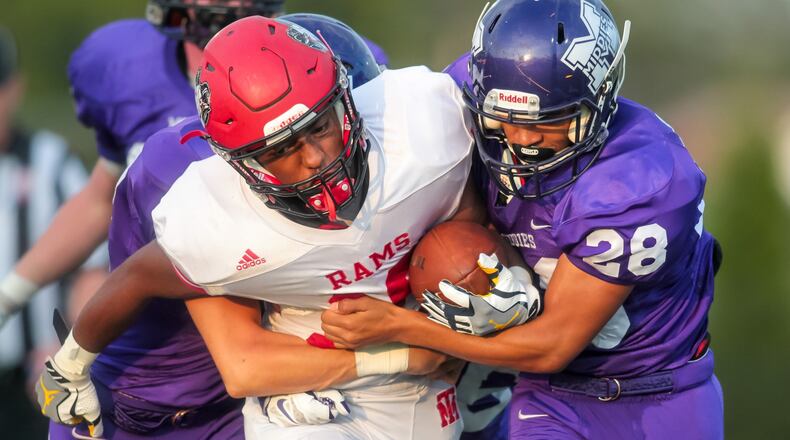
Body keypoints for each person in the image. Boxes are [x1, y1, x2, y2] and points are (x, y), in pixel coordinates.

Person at [37, 15, 488, 439]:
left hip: (309, 401)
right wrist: (70, 363)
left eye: (321, 126)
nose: (314, 158)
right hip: (140, 404)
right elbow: (141, 282)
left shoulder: (427, 122)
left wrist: (498, 292)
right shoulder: (207, 207)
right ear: (237, 164)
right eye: (282, 149)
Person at [319, 0, 725, 438]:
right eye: (506, 118)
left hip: (657, 392)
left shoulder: (641, 181)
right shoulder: (469, 91)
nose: (522, 139)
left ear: (601, 98)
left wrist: (403, 326)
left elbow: (552, 346)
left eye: (549, 121)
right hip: (545, 393)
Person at [0, 27, 107, 439]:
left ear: (14, 88)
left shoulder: (51, 162)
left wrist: (72, 356)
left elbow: (92, 272)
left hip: (32, 380)